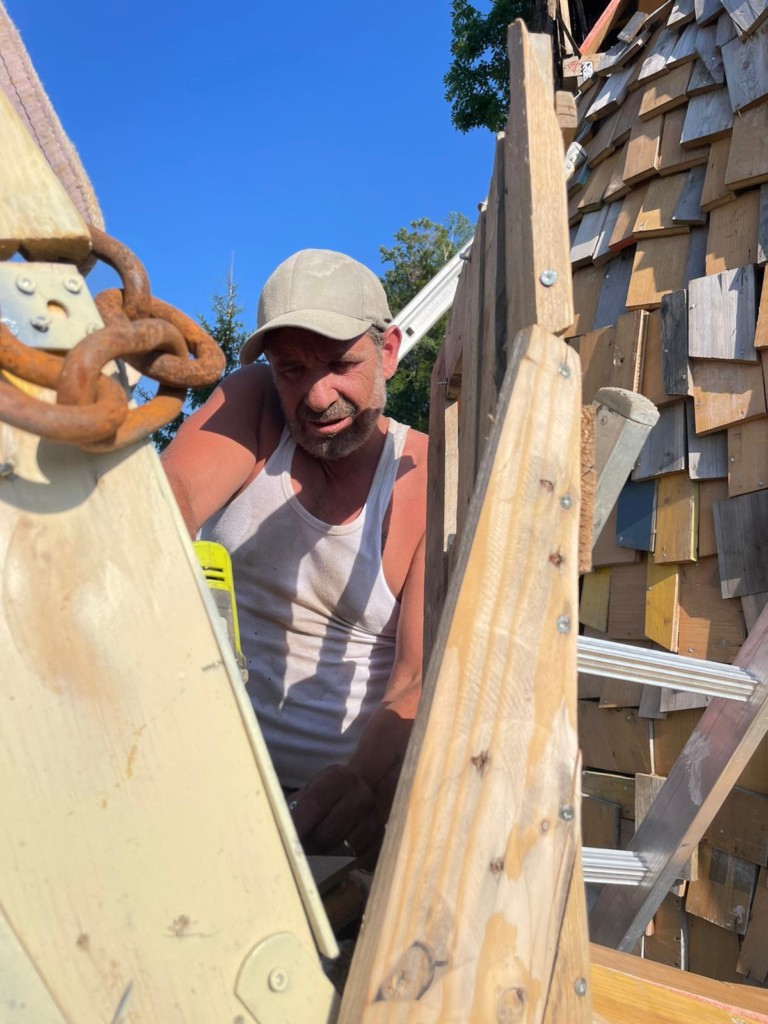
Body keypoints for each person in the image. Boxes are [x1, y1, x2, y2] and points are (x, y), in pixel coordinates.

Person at [162, 249, 427, 865]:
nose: (316, 395)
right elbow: (167, 504)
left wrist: (359, 786)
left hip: (327, 814)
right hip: (197, 769)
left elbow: (416, 678)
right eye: (292, 369)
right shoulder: (256, 405)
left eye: (341, 364)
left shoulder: (424, 477)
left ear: (387, 351)